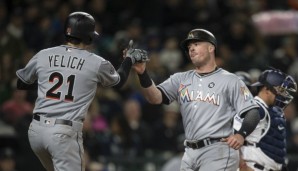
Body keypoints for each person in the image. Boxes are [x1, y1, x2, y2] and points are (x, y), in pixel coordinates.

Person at [15, 11, 148, 171]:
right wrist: (129, 60)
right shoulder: (95, 62)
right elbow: (118, 82)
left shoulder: (44, 54)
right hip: (63, 133)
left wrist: (46, 83)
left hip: (36, 131)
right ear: (89, 36)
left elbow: (21, 83)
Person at [132, 28, 260, 170]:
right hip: (189, 152)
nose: (191, 48)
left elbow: (253, 112)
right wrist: (143, 74)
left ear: (211, 47)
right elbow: (154, 98)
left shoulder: (230, 80)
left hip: (218, 150)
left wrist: (241, 135)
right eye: (189, 46)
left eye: (196, 44)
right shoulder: (180, 78)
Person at [234, 69, 297, 171]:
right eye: (281, 90)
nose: (284, 95)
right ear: (267, 89)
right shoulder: (254, 107)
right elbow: (230, 136)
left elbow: (275, 147)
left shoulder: (274, 112)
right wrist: (241, 165)